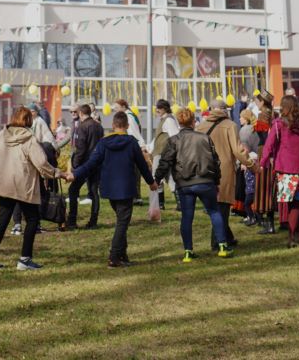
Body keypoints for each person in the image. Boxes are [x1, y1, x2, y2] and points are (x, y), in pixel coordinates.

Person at [0, 106, 60, 271]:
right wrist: (58, 173)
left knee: (2, 219)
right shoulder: (29, 138)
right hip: (23, 185)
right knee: (32, 219)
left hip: (4, 184)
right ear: (28, 121)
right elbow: (41, 163)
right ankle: (25, 259)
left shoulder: (3, 134)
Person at [67, 110, 155, 267]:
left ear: (113, 125)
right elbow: (142, 165)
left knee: (122, 221)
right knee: (122, 223)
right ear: (127, 126)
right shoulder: (132, 142)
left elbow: (91, 163)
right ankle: (114, 257)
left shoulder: (103, 143)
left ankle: (122, 255)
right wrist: (151, 182)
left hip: (109, 189)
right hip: (126, 188)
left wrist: (75, 174)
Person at [153, 107, 230, 262]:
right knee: (214, 212)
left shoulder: (174, 140)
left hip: (184, 183)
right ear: (193, 122)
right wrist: (216, 180)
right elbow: (215, 161)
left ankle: (188, 251)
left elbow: (165, 161)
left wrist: (157, 179)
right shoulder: (204, 138)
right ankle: (222, 246)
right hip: (205, 181)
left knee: (187, 217)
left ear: (179, 122)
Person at [196, 104, 254, 250]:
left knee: (215, 206)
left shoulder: (201, 126)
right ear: (224, 110)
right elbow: (238, 150)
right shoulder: (230, 125)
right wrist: (252, 165)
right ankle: (217, 242)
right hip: (223, 171)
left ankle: (228, 237)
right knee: (222, 206)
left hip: (204, 170)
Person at [259, 94, 299, 247]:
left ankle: (292, 236)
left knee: (290, 205)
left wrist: (262, 163)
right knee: (297, 203)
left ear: (285, 107)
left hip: (285, 169)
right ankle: (296, 232)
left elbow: (269, 146)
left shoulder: (278, 124)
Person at [64, 104, 104, 230]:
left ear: (81, 113)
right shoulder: (98, 126)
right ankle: (93, 221)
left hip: (84, 164)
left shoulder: (82, 126)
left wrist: (75, 165)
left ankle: (72, 220)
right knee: (94, 192)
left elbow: (80, 148)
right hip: (96, 163)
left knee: (73, 190)